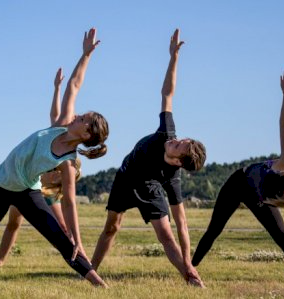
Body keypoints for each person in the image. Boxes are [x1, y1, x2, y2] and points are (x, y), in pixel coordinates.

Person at [0, 28, 108, 287]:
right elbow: (74, 85)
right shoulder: (62, 124)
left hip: (28, 192)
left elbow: (70, 202)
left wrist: (77, 237)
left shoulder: (68, 160)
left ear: (86, 135)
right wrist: (85, 55)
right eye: (82, 114)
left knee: (61, 239)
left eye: (83, 119)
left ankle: (98, 282)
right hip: (2, 184)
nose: (78, 116)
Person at [90, 29, 206, 287]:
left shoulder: (172, 177)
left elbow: (182, 224)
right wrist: (173, 57)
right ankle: (89, 271)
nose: (177, 141)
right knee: (112, 227)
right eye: (182, 141)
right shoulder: (167, 131)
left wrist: (188, 262)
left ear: (178, 162)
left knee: (166, 235)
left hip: (150, 186)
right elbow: (168, 93)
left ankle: (188, 278)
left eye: (181, 147)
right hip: (125, 176)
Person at [191, 70, 284, 285]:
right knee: (214, 229)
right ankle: (190, 268)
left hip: (260, 199)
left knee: (282, 238)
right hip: (237, 183)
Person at [0, 68, 81, 267]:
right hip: (30, 186)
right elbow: (54, 114)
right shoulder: (57, 135)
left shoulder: (67, 156)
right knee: (14, 222)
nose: (74, 117)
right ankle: (0, 260)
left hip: (46, 192)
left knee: (63, 229)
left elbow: (69, 198)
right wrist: (56, 88)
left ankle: (77, 258)